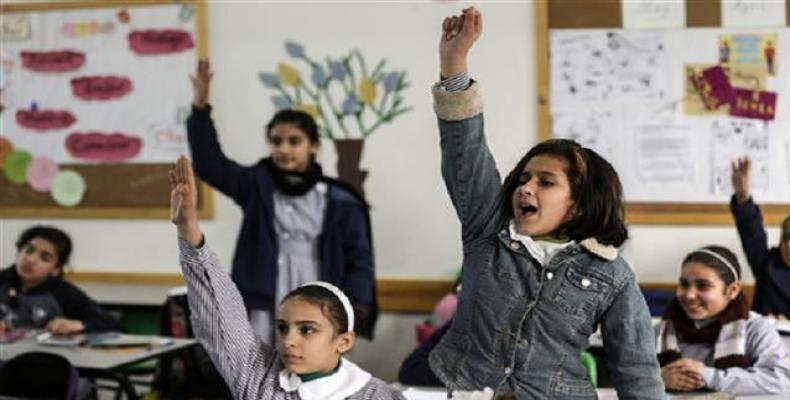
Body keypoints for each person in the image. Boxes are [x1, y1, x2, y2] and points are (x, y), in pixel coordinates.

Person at [428, 7, 663, 399]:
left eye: (545, 182)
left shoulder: (613, 274)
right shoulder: (489, 231)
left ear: (579, 204)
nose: (525, 188)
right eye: (523, 178)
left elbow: (636, 368)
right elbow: (465, 153)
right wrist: (455, 65)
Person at [169, 155, 404, 400]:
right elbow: (220, 316)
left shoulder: (377, 395)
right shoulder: (260, 377)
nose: (288, 341)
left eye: (307, 330)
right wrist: (188, 229)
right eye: (282, 327)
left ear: (343, 341)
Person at [186, 60, 377, 343]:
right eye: (276, 141)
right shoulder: (257, 184)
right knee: (259, 370)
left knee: (311, 369)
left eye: (294, 141)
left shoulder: (339, 199)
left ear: (312, 146)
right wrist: (201, 110)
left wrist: (355, 308)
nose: (284, 149)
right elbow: (211, 165)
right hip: (264, 297)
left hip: (319, 295)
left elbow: (359, 259)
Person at [655, 245, 790, 394]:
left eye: (703, 286)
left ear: (732, 290)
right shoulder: (660, 331)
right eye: (684, 284)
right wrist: (657, 379)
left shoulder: (755, 329)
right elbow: (629, 375)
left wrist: (708, 376)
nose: (689, 295)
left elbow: (781, 379)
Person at [0, 226, 120, 335]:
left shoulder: (63, 293)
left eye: (44, 258)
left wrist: (77, 325)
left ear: (56, 269)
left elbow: (111, 323)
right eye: (29, 250)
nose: (31, 260)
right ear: (18, 252)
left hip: (43, 356)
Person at [730, 157, 790, 319]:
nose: (789, 246)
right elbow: (752, 233)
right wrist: (743, 197)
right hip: (763, 339)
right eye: (786, 238)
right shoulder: (768, 263)